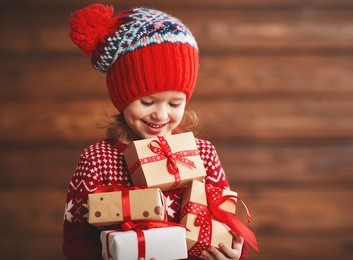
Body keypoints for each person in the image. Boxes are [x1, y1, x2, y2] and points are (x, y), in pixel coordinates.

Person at [62, 3, 246, 260]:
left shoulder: (202, 154)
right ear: (121, 98)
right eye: (147, 102)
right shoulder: (97, 159)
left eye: (175, 104)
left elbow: (227, 222)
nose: (160, 115)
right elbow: (75, 241)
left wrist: (235, 252)